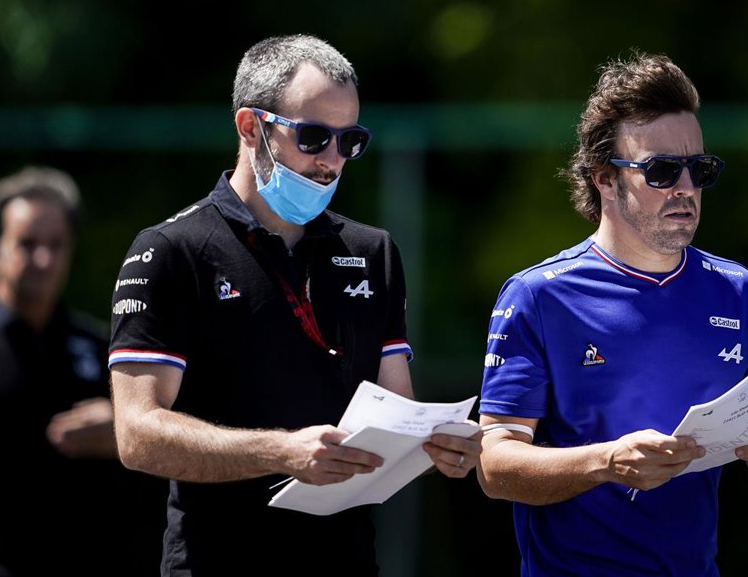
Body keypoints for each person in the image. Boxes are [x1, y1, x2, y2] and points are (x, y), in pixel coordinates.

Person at [107, 34, 483, 576]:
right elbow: (137, 435)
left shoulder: (372, 251)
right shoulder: (171, 249)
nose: (332, 160)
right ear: (250, 127)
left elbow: (396, 414)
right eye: (313, 137)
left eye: (349, 141)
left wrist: (436, 450)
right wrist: (282, 452)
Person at [476, 52, 748, 576]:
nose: (685, 188)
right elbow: (494, 466)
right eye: (661, 170)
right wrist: (606, 462)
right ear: (604, 178)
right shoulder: (537, 296)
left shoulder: (739, 291)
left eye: (699, 170)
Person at [0, 166, 163, 577]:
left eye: (56, 244)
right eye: (27, 243)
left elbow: (150, 457)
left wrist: (121, 432)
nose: (44, 259)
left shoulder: (99, 349)